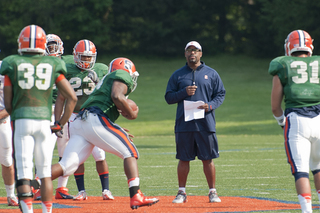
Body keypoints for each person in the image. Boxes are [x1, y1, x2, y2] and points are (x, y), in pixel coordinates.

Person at [49, 57, 159, 209]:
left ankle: (32, 184)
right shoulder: (122, 75)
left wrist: (113, 127)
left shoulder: (105, 80)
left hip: (80, 122)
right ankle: (136, 195)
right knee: (130, 151)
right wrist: (131, 114)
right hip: (95, 120)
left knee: (67, 165)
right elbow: (117, 96)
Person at [0, 24, 77, 213]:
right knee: (43, 173)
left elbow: (9, 104)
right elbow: (72, 97)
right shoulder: (53, 64)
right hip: (44, 121)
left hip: (23, 121)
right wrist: (60, 123)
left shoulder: (12, 63)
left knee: (24, 171)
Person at [165, 41, 226, 203]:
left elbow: (220, 94)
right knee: (184, 159)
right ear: (185, 53)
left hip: (205, 123)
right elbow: (169, 98)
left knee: (208, 158)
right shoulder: (178, 75)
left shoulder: (211, 74)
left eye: (196, 50)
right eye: (189, 50)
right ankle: (181, 192)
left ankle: (212, 192)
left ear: (201, 53)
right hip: (184, 124)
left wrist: (210, 105)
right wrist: (183, 92)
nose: (193, 53)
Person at [53, 39, 114, 201]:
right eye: (83, 57)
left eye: (89, 57)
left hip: (93, 114)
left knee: (99, 154)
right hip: (74, 115)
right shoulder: (66, 66)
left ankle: (106, 190)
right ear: (75, 56)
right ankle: (81, 191)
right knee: (77, 154)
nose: (86, 60)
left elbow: (108, 91)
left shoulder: (101, 69)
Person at [269, 30, 320, 213]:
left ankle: (307, 211)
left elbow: (275, 106)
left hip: (297, 120)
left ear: (289, 46)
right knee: (319, 167)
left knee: (301, 171)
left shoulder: (282, 65)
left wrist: (281, 121)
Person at [0, 65, 19, 207]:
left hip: (2, 119)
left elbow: (14, 100)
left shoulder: (6, 68)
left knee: (6, 159)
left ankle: (11, 194)